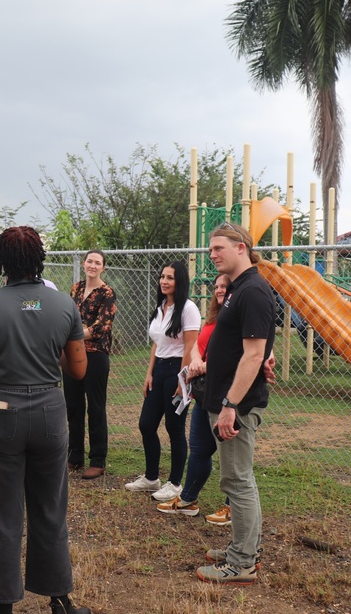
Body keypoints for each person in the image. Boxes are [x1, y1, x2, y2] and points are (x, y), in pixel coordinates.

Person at [0, 226, 92, 614]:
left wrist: (2, 358)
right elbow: (78, 369)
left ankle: (4, 605)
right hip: (51, 412)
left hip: (2, 412)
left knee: (4, 513)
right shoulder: (64, 305)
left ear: (1, 261)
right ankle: (60, 600)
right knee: (50, 507)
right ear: (39, 259)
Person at [190, 222, 275, 585]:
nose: (212, 254)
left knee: (238, 481)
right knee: (234, 480)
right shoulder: (239, 289)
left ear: (242, 247)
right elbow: (252, 347)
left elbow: (253, 355)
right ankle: (243, 547)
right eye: (210, 249)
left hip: (235, 406)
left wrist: (228, 405)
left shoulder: (253, 289)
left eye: (218, 248)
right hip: (226, 399)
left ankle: (241, 563)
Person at [156, 273, 230, 522]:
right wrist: (197, 360)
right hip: (203, 395)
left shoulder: (237, 318)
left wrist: (206, 366)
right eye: (217, 287)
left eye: (225, 287)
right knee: (198, 449)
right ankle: (188, 500)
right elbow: (198, 344)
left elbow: (242, 355)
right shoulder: (213, 318)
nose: (219, 291)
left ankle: (234, 507)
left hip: (227, 397)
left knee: (231, 457)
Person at [126, 260, 201, 503]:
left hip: (177, 371)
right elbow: (157, 343)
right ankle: (151, 478)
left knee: (174, 428)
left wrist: (183, 380)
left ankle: (176, 483)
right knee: (146, 424)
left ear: (179, 282)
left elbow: (190, 346)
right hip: (159, 370)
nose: (164, 281)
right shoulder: (161, 308)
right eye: (162, 277)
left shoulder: (188, 308)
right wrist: (149, 373)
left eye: (170, 277)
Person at [63, 250, 116, 480]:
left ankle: (98, 460)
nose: (92, 265)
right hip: (72, 355)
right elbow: (68, 317)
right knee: (73, 406)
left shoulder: (107, 293)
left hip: (95, 356)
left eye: (97, 263)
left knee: (95, 407)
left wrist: (73, 335)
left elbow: (101, 326)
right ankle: (74, 457)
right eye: (90, 261)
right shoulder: (76, 288)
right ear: (84, 263)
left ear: (103, 267)